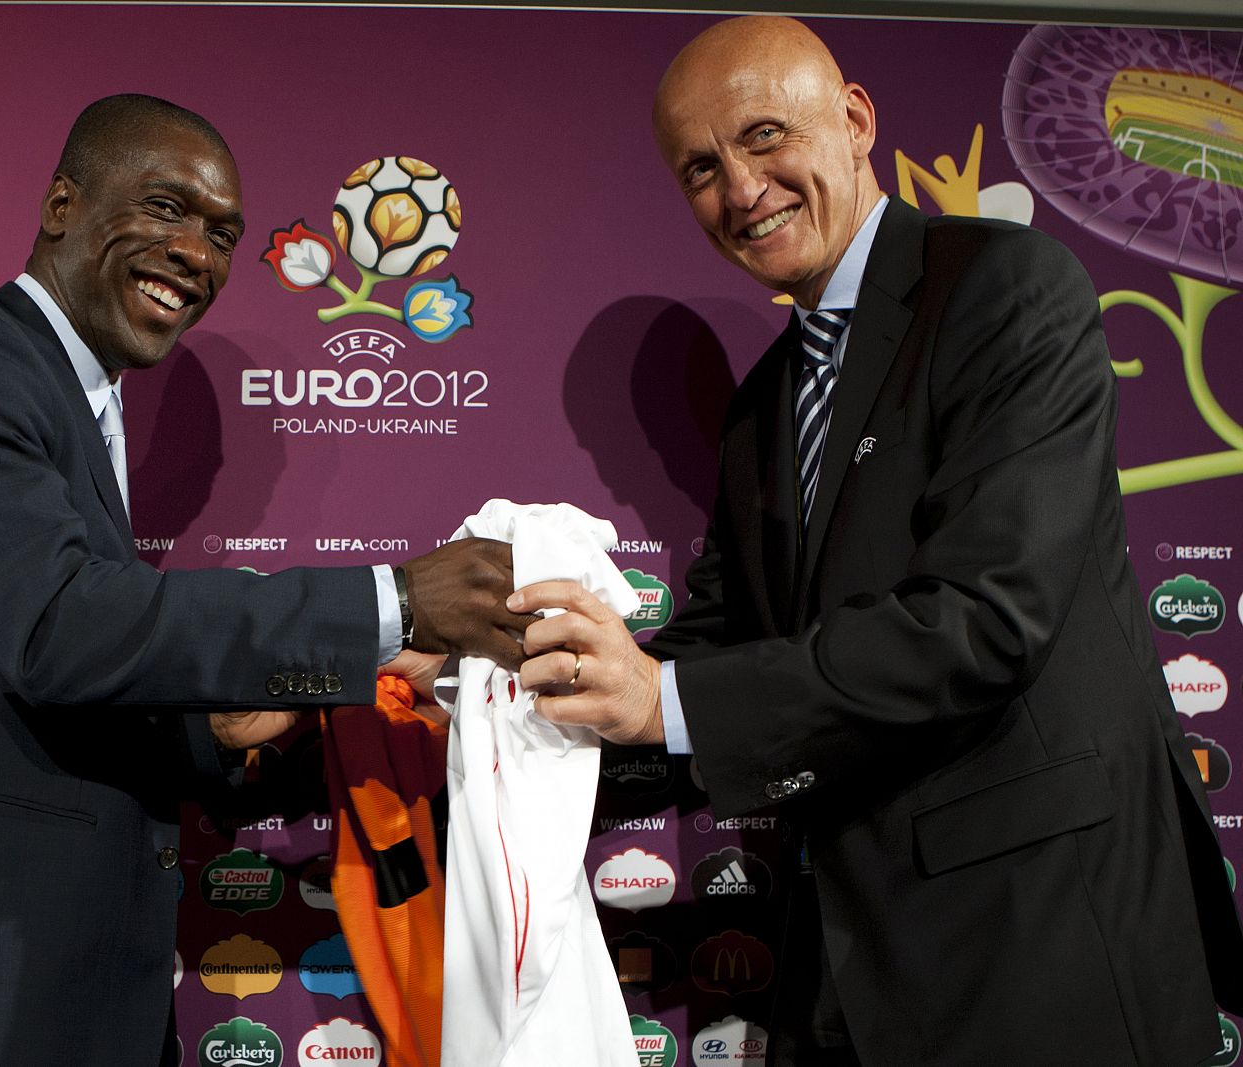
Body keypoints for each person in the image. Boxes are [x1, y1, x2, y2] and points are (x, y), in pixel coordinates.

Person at [0, 94, 523, 1067]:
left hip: (63, 990)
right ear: (63, 203)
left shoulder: (83, 408)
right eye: (165, 208)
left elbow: (25, 693)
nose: (198, 251)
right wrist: (391, 602)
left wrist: (215, 729)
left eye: (223, 232)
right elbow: (58, 623)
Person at [514, 17, 1243, 1066]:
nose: (741, 187)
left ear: (852, 120)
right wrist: (516, 671)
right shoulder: (764, 401)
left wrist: (662, 699)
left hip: (1042, 946)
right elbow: (714, 643)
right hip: (848, 959)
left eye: (765, 135)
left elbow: (988, 621)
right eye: (701, 168)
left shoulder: (1005, 287)